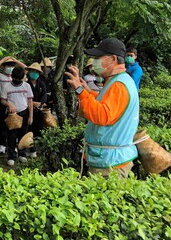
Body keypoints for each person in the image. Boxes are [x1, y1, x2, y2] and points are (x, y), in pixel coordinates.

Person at [65, 37, 139, 179]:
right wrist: (87, 91)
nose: (95, 61)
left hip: (110, 164)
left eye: (99, 57)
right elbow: (106, 103)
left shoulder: (119, 85)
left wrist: (80, 90)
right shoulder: (118, 81)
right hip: (108, 160)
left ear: (112, 59)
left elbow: (102, 115)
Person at [0, 56, 27, 154]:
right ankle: (2, 144)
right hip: (3, 102)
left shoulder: (17, 76)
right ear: (3, 66)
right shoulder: (0, 76)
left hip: (15, 104)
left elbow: (26, 69)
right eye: (8, 65)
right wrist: (3, 60)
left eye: (12, 65)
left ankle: (13, 144)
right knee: (3, 123)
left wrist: (15, 61)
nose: (10, 67)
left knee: (15, 124)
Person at [0, 66, 33, 166]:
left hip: (24, 112)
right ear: (12, 77)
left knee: (23, 134)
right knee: (11, 135)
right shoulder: (6, 87)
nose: (18, 81)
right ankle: (11, 156)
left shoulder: (26, 86)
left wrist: (31, 116)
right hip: (12, 114)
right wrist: (9, 104)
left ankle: (21, 154)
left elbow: (30, 101)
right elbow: (2, 100)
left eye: (20, 79)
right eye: (15, 79)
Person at [27, 62, 48, 157]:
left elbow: (44, 95)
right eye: (32, 71)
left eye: (36, 72)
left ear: (39, 74)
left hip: (39, 110)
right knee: (29, 129)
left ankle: (36, 147)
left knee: (38, 129)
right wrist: (32, 103)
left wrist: (40, 103)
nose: (34, 73)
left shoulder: (42, 84)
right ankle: (30, 148)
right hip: (28, 109)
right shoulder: (26, 84)